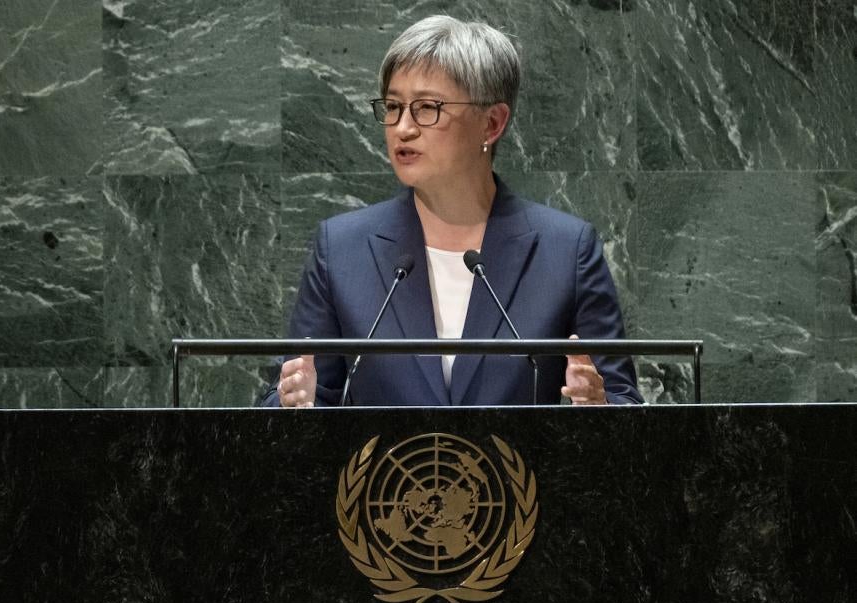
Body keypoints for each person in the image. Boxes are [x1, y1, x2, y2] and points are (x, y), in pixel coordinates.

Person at [262, 15, 642, 407]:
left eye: (427, 108)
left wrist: (600, 406)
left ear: (491, 123)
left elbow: (626, 406)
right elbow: (294, 402)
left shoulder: (565, 250)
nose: (403, 127)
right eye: (393, 106)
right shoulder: (342, 249)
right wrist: (292, 404)